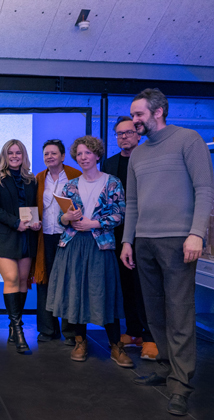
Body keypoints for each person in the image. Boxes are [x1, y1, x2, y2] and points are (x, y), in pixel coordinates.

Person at [121, 88, 214, 417]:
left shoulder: (189, 140)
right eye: (133, 115)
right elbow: (132, 203)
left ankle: (180, 384)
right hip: (143, 241)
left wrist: (196, 234)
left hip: (178, 241)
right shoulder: (138, 155)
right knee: (155, 312)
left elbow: (205, 189)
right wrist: (128, 241)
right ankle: (164, 367)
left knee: (179, 314)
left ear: (157, 112)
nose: (134, 121)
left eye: (138, 114)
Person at [46, 135, 133, 369]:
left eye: (87, 153)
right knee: (76, 294)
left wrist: (92, 224)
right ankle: (80, 341)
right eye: (80, 154)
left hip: (100, 245)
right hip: (73, 245)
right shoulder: (70, 185)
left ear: (97, 155)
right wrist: (66, 217)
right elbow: (60, 218)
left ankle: (115, 345)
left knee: (104, 292)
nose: (83, 157)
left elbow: (119, 213)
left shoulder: (112, 182)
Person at [102, 117, 157, 361]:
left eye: (128, 132)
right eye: (119, 134)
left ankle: (150, 337)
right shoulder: (110, 163)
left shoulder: (149, 158)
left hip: (143, 232)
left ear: (138, 134)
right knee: (125, 285)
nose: (123, 137)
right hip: (116, 234)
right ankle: (134, 332)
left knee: (144, 286)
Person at [0, 140, 41, 353]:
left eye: (18, 153)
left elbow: (33, 208)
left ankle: (12, 324)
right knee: (11, 279)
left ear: (23, 155)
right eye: (11, 153)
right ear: (5, 155)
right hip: (2, 236)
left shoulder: (31, 180)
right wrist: (16, 223)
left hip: (26, 237)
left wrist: (35, 222)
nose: (15, 156)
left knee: (23, 282)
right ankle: (18, 329)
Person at [33, 139, 80, 345]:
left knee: (69, 282)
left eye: (53, 153)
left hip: (68, 236)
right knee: (45, 281)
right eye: (46, 154)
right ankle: (47, 329)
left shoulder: (75, 175)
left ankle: (71, 332)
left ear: (62, 156)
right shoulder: (39, 178)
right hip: (45, 237)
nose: (49, 157)